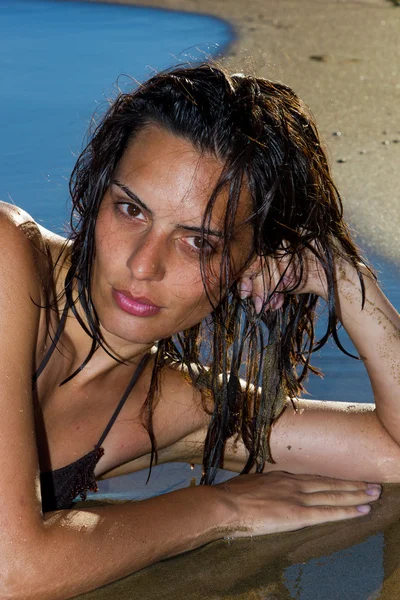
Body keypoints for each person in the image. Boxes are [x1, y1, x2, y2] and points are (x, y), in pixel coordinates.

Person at [0, 62, 399, 599]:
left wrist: (350, 283)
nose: (143, 265)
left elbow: (392, 455)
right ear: (96, 190)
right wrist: (214, 507)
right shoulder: (6, 255)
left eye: (199, 242)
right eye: (130, 209)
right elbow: (13, 570)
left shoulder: (169, 404)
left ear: (251, 261)